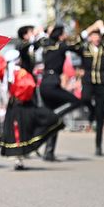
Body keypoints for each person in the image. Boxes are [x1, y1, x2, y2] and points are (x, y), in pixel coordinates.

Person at [0, 50, 65, 170]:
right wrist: (21, 97)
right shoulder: (21, 73)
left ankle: (18, 159)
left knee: (16, 132)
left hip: (12, 107)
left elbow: (5, 91)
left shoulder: (6, 74)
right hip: (23, 106)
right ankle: (20, 157)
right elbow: (29, 87)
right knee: (24, 130)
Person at [38, 25, 82, 161]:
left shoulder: (46, 46)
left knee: (54, 122)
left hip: (44, 83)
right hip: (52, 83)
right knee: (75, 101)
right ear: (60, 35)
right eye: (63, 34)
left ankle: (49, 152)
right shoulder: (60, 46)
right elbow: (77, 46)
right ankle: (55, 114)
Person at [74, 21, 104, 156]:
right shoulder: (84, 48)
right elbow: (75, 43)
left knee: (100, 114)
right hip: (88, 80)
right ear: (90, 37)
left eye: (98, 36)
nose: (96, 38)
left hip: (101, 82)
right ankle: (91, 112)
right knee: (84, 99)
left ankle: (98, 145)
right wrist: (91, 27)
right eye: (94, 36)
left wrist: (103, 29)